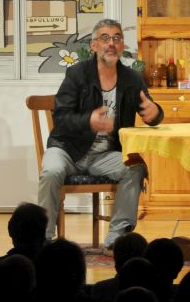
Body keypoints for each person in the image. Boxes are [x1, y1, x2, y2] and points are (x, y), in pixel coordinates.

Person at [37, 18, 163, 251]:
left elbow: (151, 112)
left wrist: (155, 114)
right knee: (51, 172)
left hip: (105, 155)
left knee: (135, 168)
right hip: (67, 150)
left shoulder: (132, 79)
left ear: (122, 46)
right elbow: (61, 118)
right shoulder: (77, 74)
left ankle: (117, 236)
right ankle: (42, 238)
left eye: (116, 38)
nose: (111, 43)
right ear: (94, 45)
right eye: (105, 38)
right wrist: (89, 121)